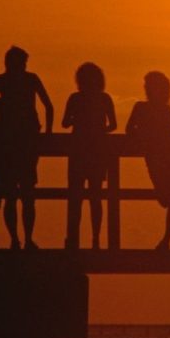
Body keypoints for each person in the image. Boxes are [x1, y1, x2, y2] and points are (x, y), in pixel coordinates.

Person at [0, 46, 53, 250]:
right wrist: (48, 135)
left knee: (13, 195)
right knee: (27, 195)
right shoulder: (30, 79)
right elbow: (49, 106)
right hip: (26, 142)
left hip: (9, 143)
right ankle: (25, 239)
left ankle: (17, 240)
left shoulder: (1, 81)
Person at [126, 71, 170, 250]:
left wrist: (144, 137)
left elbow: (131, 130)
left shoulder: (158, 110)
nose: (145, 88)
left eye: (148, 85)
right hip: (158, 158)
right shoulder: (143, 107)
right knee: (165, 200)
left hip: (168, 158)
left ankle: (166, 240)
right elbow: (130, 130)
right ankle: (166, 240)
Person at [61, 62, 117, 249]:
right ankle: (95, 238)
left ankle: (73, 237)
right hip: (98, 151)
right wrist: (99, 130)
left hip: (78, 151)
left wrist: (79, 121)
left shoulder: (75, 98)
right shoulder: (105, 98)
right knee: (96, 197)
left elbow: (65, 123)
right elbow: (113, 125)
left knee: (75, 197)